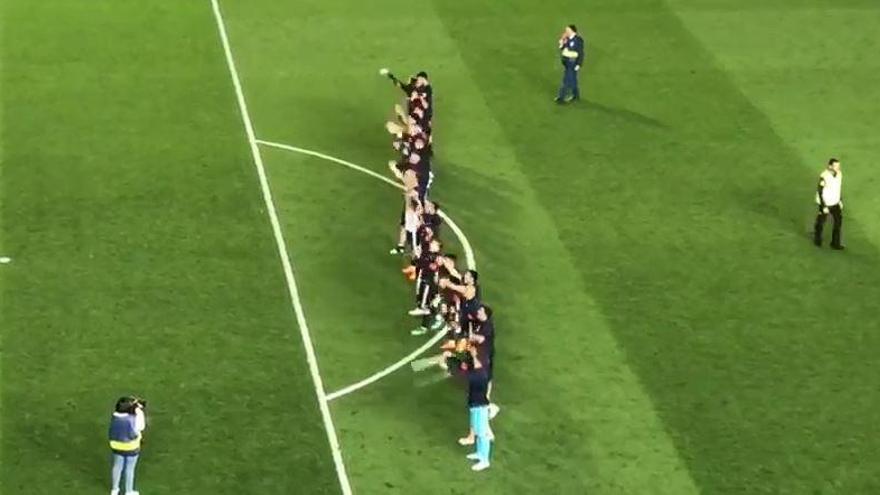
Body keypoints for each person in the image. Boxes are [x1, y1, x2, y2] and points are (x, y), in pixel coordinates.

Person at [108, 396, 147, 495]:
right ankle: (129, 491)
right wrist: (139, 412)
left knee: (117, 466)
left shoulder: (115, 416)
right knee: (129, 468)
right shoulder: (134, 418)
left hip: (116, 446)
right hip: (131, 446)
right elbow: (141, 427)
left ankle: (114, 489)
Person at [463, 355, 492, 471]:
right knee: (477, 430)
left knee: (482, 433)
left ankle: (485, 460)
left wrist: (445, 365)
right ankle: (480, 453)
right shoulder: (479, 372)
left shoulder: (479, 375)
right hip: (475, 406)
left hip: (480, 407)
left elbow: (462, 375)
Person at [814, 158, 844, 250]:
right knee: (821, 222)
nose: (838, 167)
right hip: (825, 203)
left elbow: (838, 188)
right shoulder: (824, 176)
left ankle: (835, 243)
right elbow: (820, 191)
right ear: (830, 166)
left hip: (835, 202)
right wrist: (823, 206)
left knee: (838, 222)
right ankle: (817, 239)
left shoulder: (839, 174)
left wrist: (840, 200)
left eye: (838, 165)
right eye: (836, 166)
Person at [555, 24, 585, 103]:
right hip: (567, 63)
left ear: (572, 31)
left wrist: (579, 64)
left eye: (567, 30)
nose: (566, 31)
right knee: (573, 80)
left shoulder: (578, 40)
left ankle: (561, 98)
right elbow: (563, 48)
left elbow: (581, 53)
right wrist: (561, 44)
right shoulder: (567, 39)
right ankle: (576, 96)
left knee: (566, 80)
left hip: (573, 63)